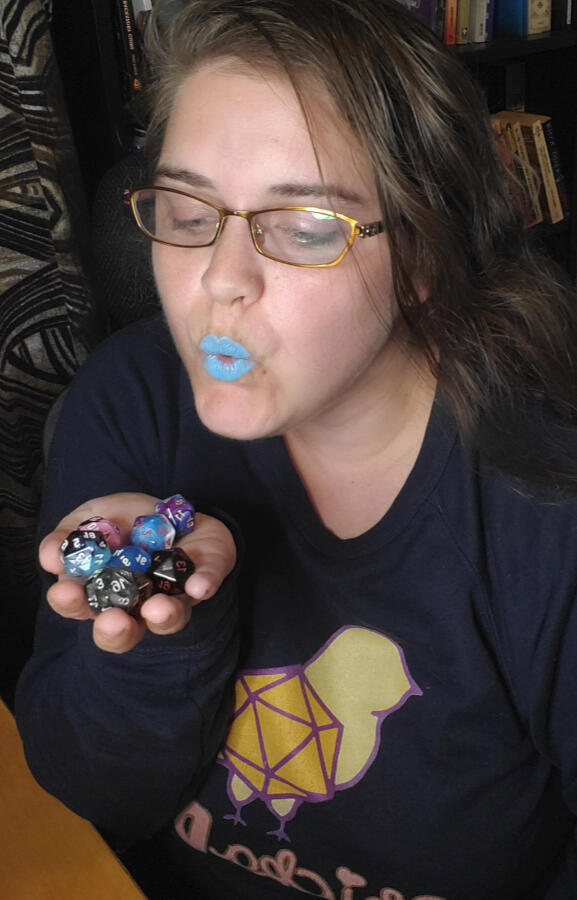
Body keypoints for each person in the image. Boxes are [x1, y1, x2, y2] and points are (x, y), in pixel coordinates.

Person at [14, 0, 577, 897]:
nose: (218, 280)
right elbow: (94, 793)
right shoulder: (130, 402)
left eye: (306, 226)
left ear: (422, 255)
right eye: (187, 212)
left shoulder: (545, 498)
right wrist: (163, 629)